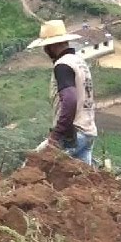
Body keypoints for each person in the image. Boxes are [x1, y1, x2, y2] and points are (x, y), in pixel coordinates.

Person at [26, 19, 97, 165]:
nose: (45, 50)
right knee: (80, 182)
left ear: (51, 46)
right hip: (88, 131)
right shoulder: (79, 62)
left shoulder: (62, 65)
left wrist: (55, 135)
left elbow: (70, 100)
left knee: (32, 166)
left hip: (72, 135)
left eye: (46, 47)